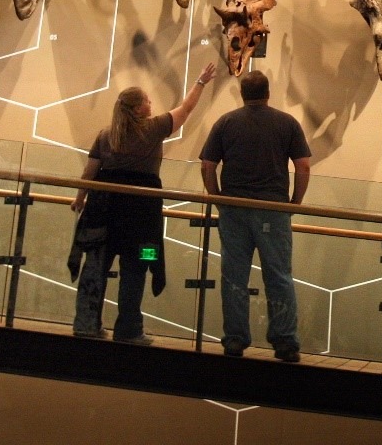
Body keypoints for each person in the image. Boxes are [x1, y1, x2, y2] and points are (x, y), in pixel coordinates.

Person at [71, 61, 217, 343]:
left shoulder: (105, 135)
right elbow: (186, 109)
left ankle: (86, 324)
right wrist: (200, 82)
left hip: (103, 211)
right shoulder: (154, 128)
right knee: (138, 266)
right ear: (139, 109)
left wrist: (80, 199)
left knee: (96, 265)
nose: (151, 104)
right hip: (142, 216)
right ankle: (129, 330)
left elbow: (89, 173)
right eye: (148, 101)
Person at [199, 71, 311, 362]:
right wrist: (295, 202)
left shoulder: (226, 122)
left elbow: (207, 165)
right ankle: (285, 343)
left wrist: (217, 198)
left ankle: (235, 340)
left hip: (234, 208)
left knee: (234, 275)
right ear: (268, 92)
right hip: (273, 210)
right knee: (279, 276)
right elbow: (303, 166)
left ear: (242, 93)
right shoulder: (287, 123)